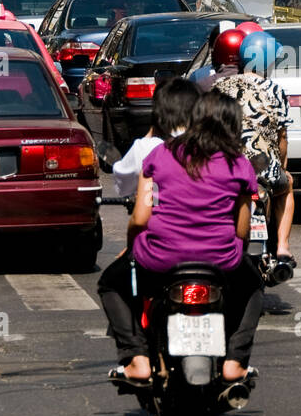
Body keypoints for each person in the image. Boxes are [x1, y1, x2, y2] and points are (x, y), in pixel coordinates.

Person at [100, 90, 263, 388]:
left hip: (160, 259)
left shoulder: (160, 154)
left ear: (193, 119)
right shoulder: (239, 164)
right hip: (220, 262)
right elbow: (242, 230)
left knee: (111, 283)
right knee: (253, 287)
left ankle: (136, 358)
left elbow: (139, 218)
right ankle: (235, 361)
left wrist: (133, 248)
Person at [212, 30, 295, 269]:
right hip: (264, 169)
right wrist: (281, 167)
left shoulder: (220, 87)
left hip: (228, 168)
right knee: (287, 187)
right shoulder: (275, 91)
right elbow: (282, 139)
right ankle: (282, 246)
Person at [111, 76, 200, 199]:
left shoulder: (146, 148)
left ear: (158, 112)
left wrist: (151, 132)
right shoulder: (211, 146)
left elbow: (122, 185)